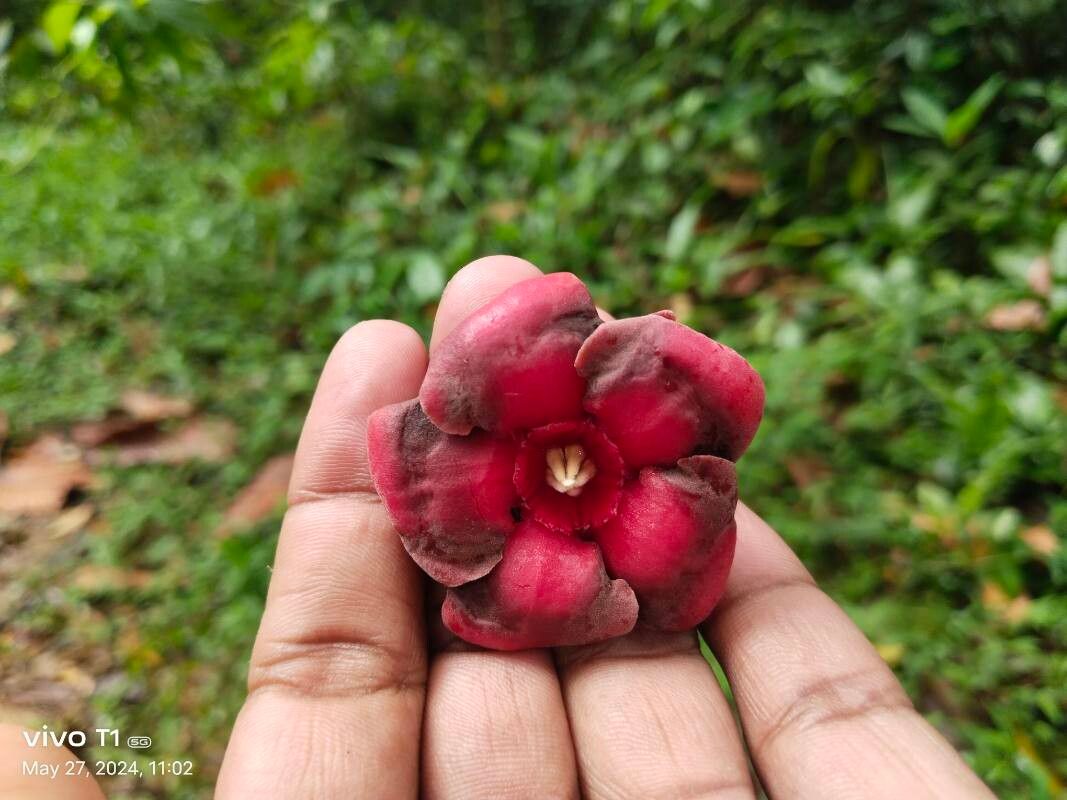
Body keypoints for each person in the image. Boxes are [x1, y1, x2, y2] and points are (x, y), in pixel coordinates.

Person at [2, 257, 995, 799]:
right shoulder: (473, 453)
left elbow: (677, 532)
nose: (569, 467)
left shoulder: (647, 497)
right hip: (550, 535)